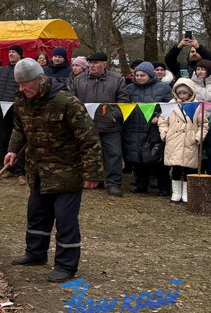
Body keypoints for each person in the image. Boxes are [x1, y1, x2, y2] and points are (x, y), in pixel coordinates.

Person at [5, 58, 103, 283]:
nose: (22, 89)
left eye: (26, 84)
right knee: (37, 214)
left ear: (40, 79)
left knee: (65, 220)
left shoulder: (67, 102)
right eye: (19, 84)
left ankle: (66, 266)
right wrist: (13, 150)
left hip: (67, 171)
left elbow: (89, 138)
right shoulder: (22, 100)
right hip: (38, 170)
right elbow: (20, 129)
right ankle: (35, 254)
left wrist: (92, 173)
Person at [70, 52, 130, 196]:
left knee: (114, 155)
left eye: (96, 63)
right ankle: (89, 179)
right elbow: (71, 100)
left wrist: (113, 116)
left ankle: (113, 183)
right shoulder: (78, 80)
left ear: (104, 64)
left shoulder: (117, 80)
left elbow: (124, 101)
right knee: (84, 153)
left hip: (110, 125)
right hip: (85, 126)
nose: (92, 65)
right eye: (90, 63)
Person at [122, 62, 172, 194]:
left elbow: (171, 105)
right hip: (133, 127)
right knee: (137, 159)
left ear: (150, 75)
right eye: (137, 75)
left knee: (157, 159)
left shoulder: (163, 88)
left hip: (153, 128)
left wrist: (159, 115)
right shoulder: (129, 88)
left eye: (142, 75)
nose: (139, 77)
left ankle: (164, 187)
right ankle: (141, 185)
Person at [159, 79, 208, 203]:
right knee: (175, 168)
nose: (182, 96)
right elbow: (163, 121)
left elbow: (203, 124)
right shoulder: (170, 105)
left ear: (190, 93)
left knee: (188, 168)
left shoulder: (197, 106)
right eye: (179, 93)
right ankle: (176, 193)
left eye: (184, 93)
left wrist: (198, 137)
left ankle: (186, 193)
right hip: (174, 140)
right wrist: (164, 133)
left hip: (190, 141)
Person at [0, 45, 26, 183]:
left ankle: (20, 172)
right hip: (2, 108)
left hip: (17, 109)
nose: (11, 54)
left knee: (18, 139)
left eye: (14, 52)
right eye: (10, 52)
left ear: (20, 55)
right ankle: (6, 168)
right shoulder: (2, 71)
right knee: (3, 138)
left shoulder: (23, 69)